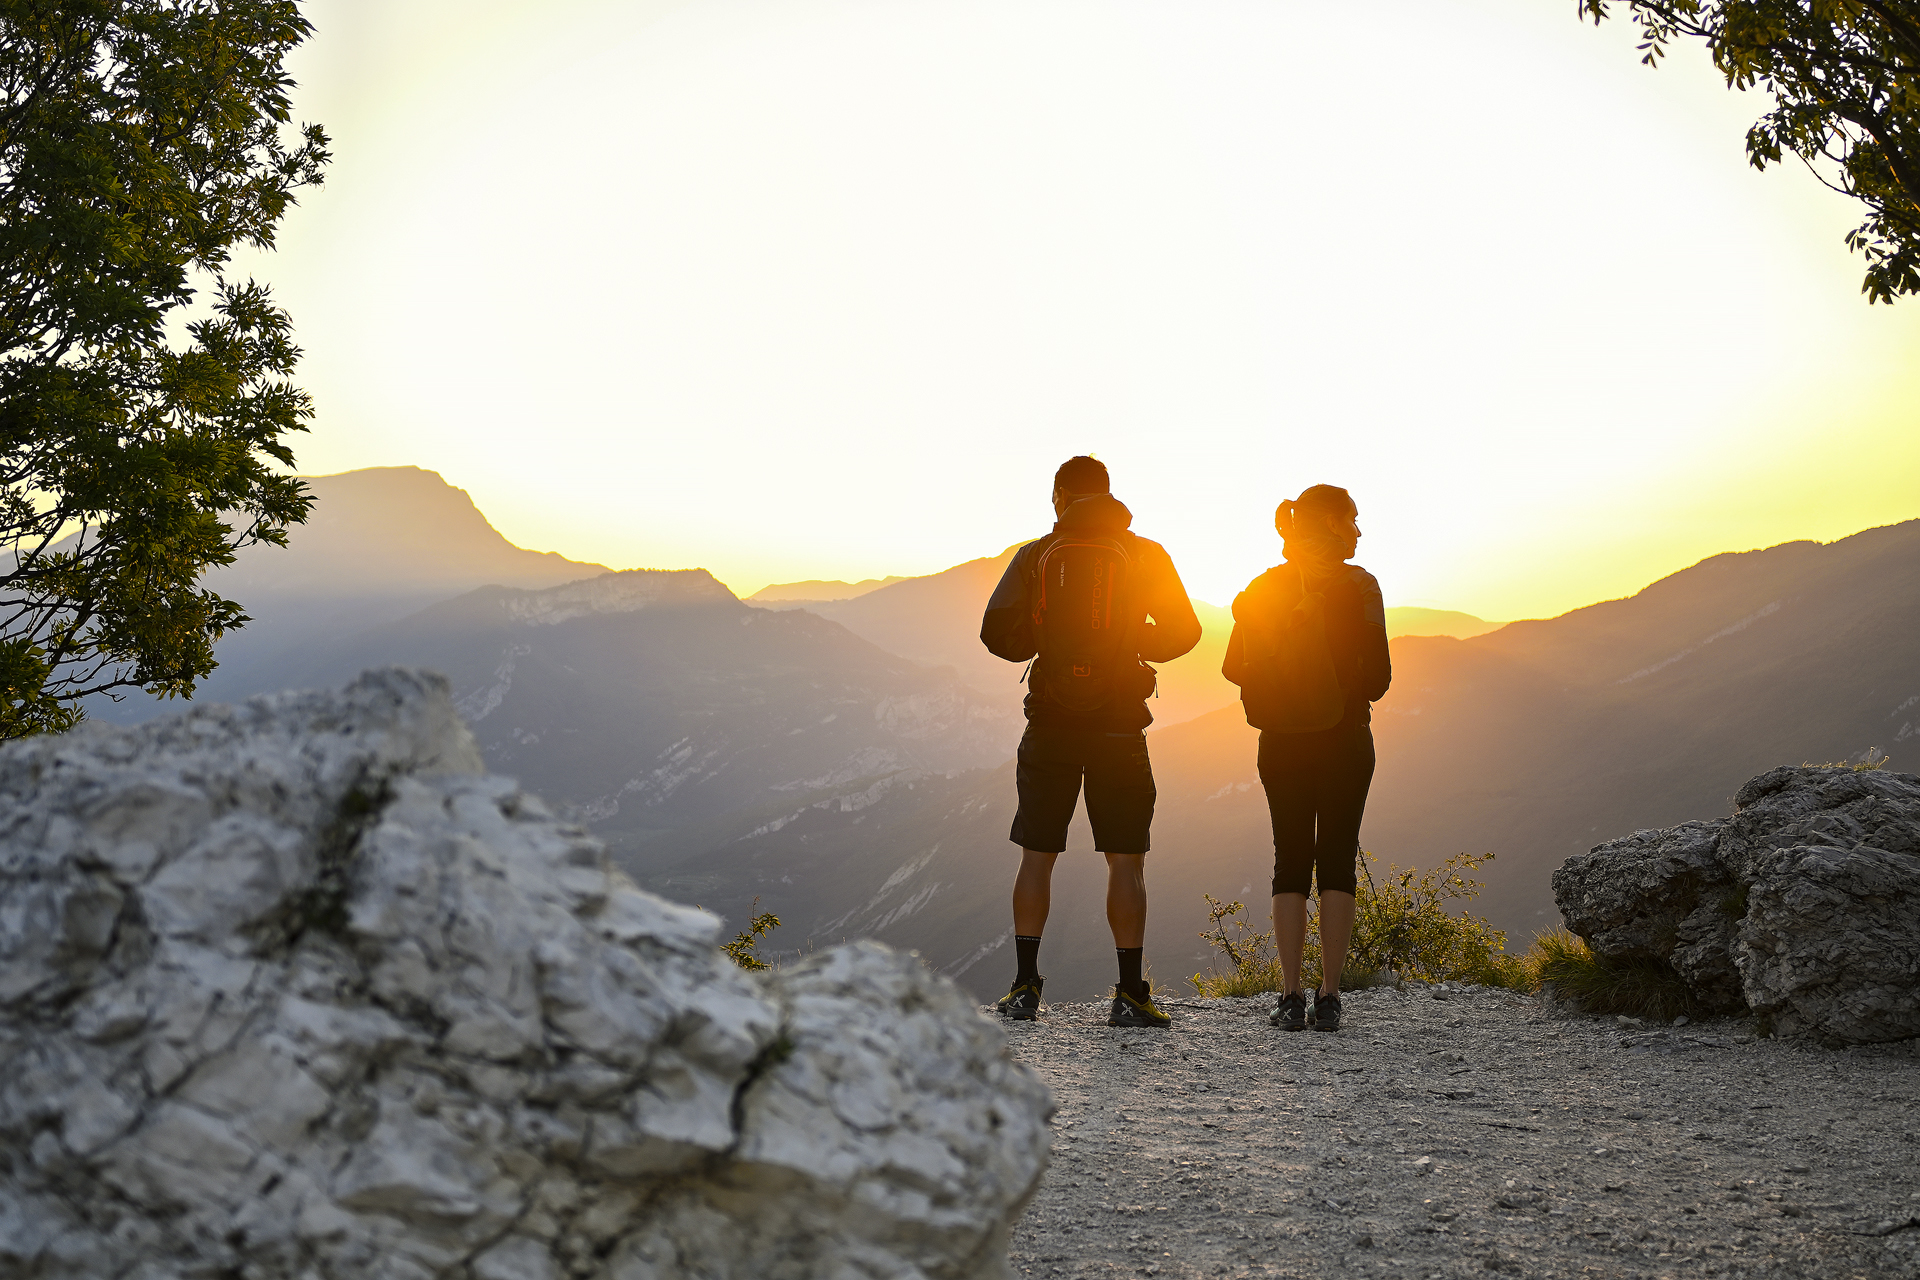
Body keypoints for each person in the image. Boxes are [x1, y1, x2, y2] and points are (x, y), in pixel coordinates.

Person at [979, 455, 1202, 1028]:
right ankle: (1129, 994)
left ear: (1060, 496)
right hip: (1119, 725)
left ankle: (1024, 988)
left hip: (1050, 722)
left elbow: (995, 633)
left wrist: (1048, 636)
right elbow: (1186, 631)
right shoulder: (1145, 553)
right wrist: (1129, 641)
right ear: (1106, 494)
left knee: (1037, 857)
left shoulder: (1035, 555)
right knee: (1125, 861)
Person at [1221, 485, 1390, 1034]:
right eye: (1352, 520)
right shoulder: (1360, 586)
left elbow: (1232, 667)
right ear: (1332, 525)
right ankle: (1330, 997)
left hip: (1281, 741)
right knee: (1337, 860)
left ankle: (1290, 996)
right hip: (1346, 740)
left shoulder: (1264, 587)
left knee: (1289, 860)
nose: (1359, 531)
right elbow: (1379, 680)